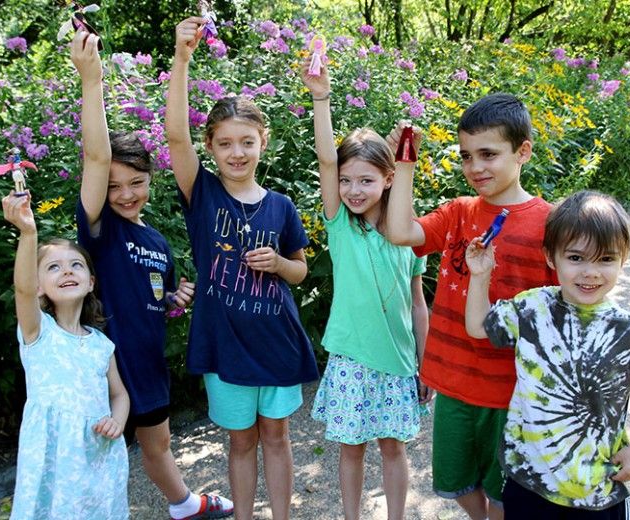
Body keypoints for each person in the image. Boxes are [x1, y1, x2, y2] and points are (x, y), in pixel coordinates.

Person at [71, 27, 233, 519]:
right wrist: (91, 81)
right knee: (97, 453)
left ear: (150, 180)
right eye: (114, 186)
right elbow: (98, 156)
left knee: (157, 443)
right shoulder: (99, 229)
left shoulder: (157, 242)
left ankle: (183, 506)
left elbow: (154, 299)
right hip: (105, 365)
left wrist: (172, 300)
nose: (125, 194)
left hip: (147, 359)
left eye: (136, 183)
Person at [166, 16, 319, 520]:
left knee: (277, 436)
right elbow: (174, 139)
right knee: (240, 441)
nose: (237, 152)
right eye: (226, 143)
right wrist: (183, 60)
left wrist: (278, 263)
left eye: (247, 142)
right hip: (223, 342)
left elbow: (299, 272)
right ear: (211, 146)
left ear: (262, 143)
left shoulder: (281, 205)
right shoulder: (202, 193)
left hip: (276, 339)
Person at [386, 93, 557, 520]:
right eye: (466, 156)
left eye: (487, 154)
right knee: (455, 482)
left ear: (523, 152)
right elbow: (401, 230)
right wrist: (403, 163)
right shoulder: (459, 213)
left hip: (513, 394)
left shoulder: (552, 225)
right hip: (454, 385)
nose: (475, 167)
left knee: (506, 497)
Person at [464, 190, 630, 518]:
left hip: (596, 489)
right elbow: (479, 326)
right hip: (528, 481)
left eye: (606, 259)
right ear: (551, 256)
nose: (590, 272)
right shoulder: (531, 308)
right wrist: (480, 276)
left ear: (624, 258)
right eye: (575, 258)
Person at [300, 59, 430, 520]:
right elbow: (326, 158)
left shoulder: (411, 235)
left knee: (394, 449)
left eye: (367, 180)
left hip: (398, 362)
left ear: (389, 179)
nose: (354, 189)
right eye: (347, 181)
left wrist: (424, 363)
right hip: (352, 358)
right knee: (350, 450)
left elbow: (418, 304)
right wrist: (321, 98)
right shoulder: (339, 225)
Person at [2, 191, 129, 519]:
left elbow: (120, 394)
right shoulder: (38, 332)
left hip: (98, 454)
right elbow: (22, 290)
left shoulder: (101, 344)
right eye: (54, 267)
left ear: (90, 282)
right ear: (40, 286)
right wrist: (28, 233)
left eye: (76, 265)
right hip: (53, 457)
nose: (67, 271)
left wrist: (118, 421)